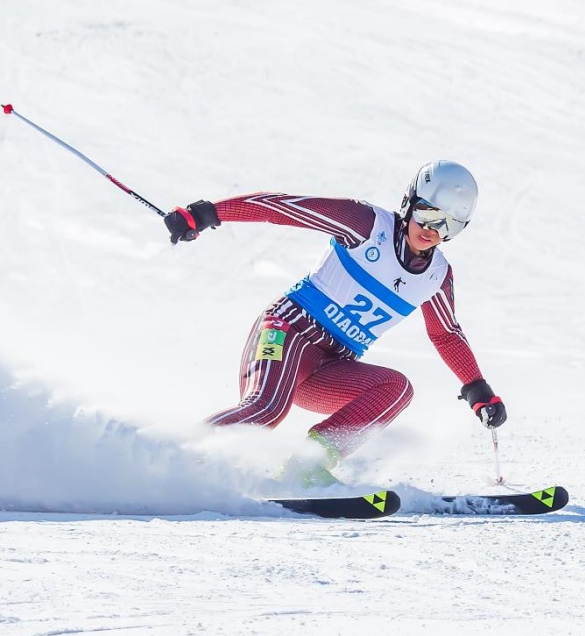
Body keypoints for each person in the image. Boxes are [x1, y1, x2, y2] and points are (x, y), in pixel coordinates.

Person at [163, 160, 507, 487]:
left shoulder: (436, 275)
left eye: (450, 225)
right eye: (428, 214)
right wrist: (207, 214)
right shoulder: (367, 225)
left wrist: (478, 389)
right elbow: (284, 208)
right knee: (265, 410)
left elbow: (446, 335)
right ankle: (168, 462)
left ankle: (307, 465)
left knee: (396, 389)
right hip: (288, 332)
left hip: (330, 366)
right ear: (409, 203)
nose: (433, 230)